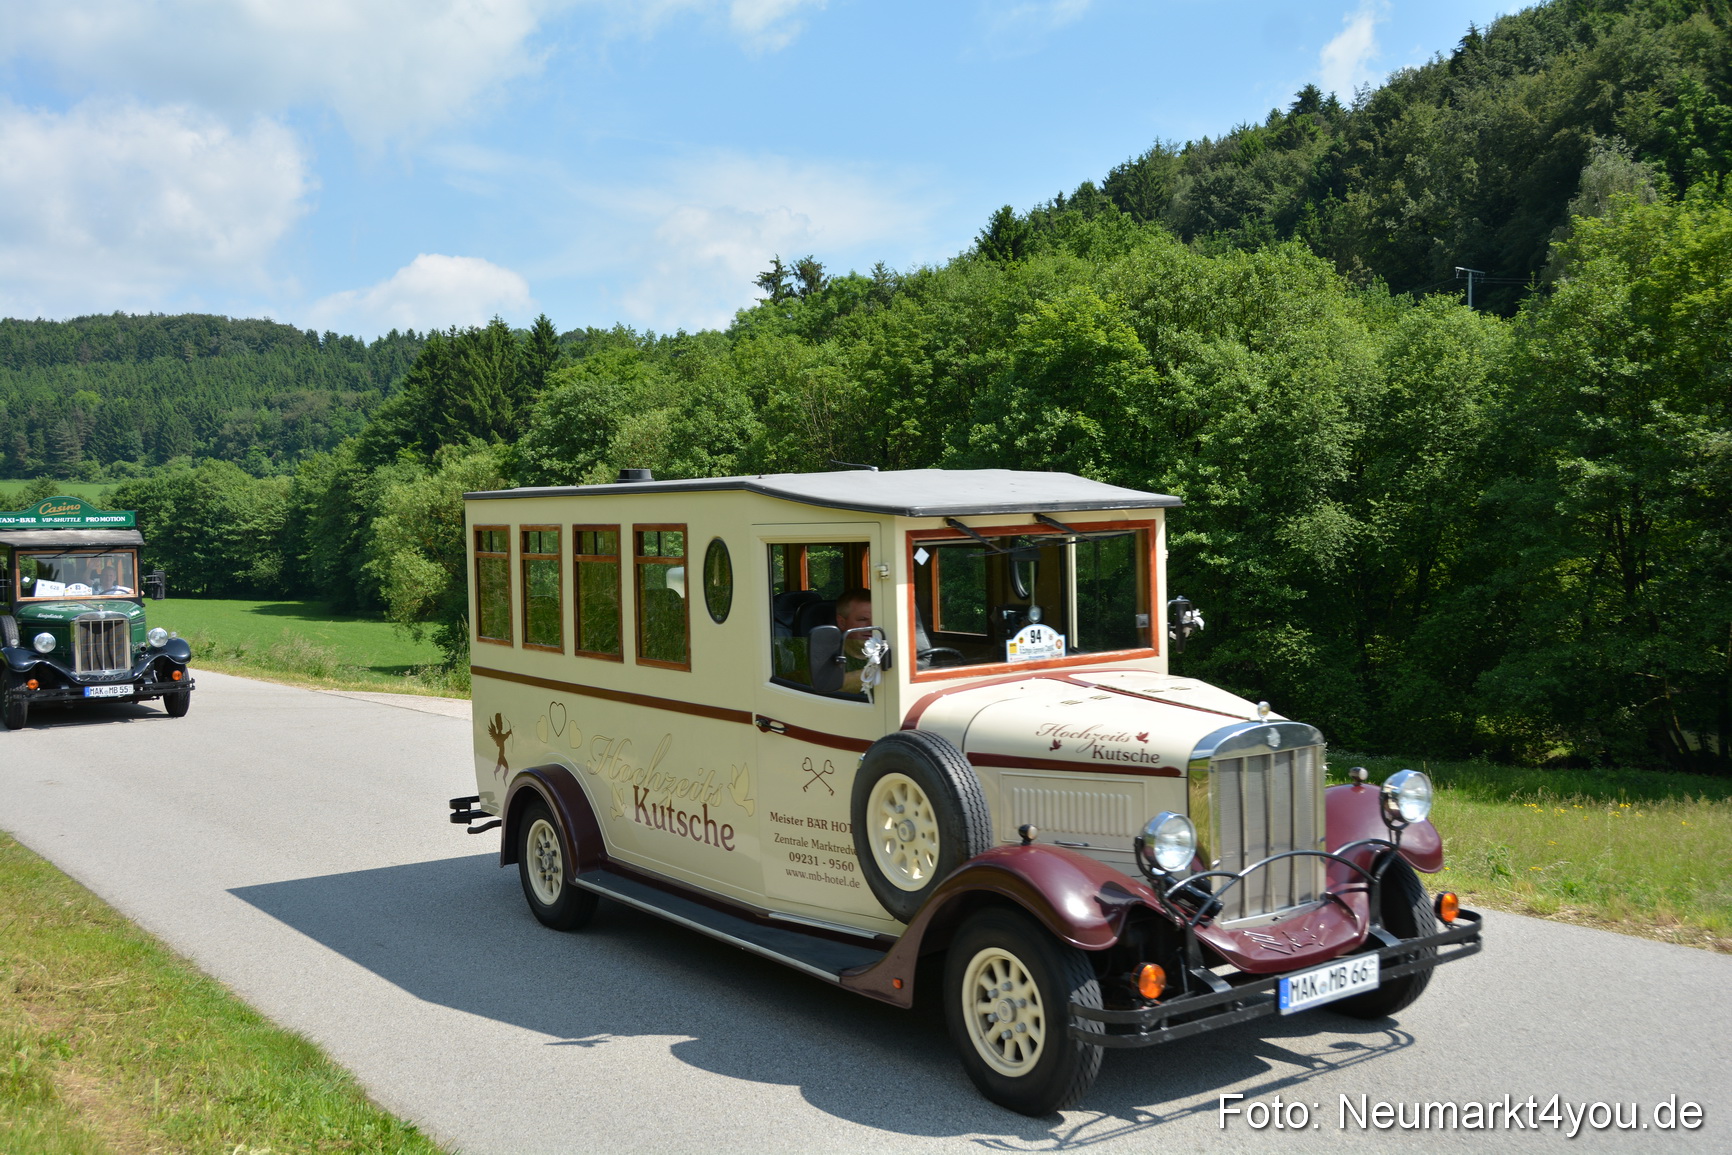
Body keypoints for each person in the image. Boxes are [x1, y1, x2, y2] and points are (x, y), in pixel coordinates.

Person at [834, 588, 873, 693]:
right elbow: (824, 686)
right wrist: (879, 671)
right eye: (863, 619)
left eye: (877, 618)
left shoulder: (893, 649)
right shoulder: (825, 656)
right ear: (842, 622)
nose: (871, 627)